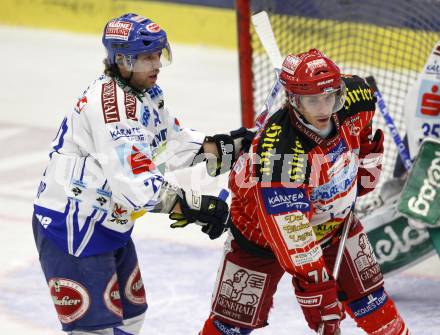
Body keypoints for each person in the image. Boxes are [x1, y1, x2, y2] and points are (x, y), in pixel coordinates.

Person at [32, 13, 250, 335]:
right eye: (147, 57)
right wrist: (197, 207)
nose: (157, 64)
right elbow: (136, 185)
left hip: (109, 221)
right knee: (95, 331)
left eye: (158, 54)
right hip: (74, 226)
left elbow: (168, 145)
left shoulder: (147, 94)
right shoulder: (112, 109)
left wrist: (218, 147)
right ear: (121, 59)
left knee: (132, 316)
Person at [199, 49, 410, 335]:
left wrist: (365, 167)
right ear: (294, 100)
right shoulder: (281, 154)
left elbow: (362, 133)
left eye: (330, 97)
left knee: (372, 301)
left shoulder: (357, 96)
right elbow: (293, 236)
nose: (323, 109)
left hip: (333, 224)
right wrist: (316, 288)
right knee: (230, 325)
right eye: (313, 101)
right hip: (259, 235)